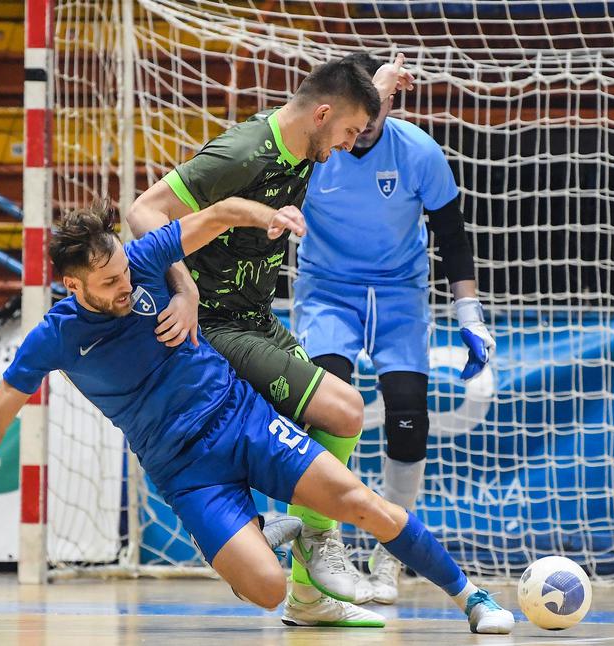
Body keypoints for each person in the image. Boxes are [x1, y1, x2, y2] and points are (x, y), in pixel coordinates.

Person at [0, 202, 515, 635]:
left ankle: (471, 597)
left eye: (125, 271)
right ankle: (267, 532)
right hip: (185, 473)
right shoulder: (53, 340)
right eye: (110, 282)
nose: (126, 284)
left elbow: (217, 213)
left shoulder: (144, 264)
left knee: (365, 505)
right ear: (73, 286)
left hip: (242, 420)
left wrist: (267, 217)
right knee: (269, 591)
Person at [127, 54, 415, 612]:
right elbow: (145, 212)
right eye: (350, 132)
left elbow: (347, 113)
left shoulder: (309, 135)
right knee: (345, 409)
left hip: (257, 317)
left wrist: (376, 91)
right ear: (323, 114)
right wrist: (183, 291)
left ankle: (307, 595)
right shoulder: (242, 152)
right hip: (212, 324)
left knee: (318, 432)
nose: (348, 145)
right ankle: (315, 543)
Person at [293, 52, 497, 604]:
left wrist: (470, 315)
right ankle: (321, 540)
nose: (358, 136)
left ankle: (391, 553)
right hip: (327, 288)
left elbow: (451, 234)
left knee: (408, 412)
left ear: (386, 106)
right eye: (352, 125)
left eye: (370, 123)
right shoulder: (314, 145)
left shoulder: (417, 151)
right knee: (326, 406)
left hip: (398, 291)